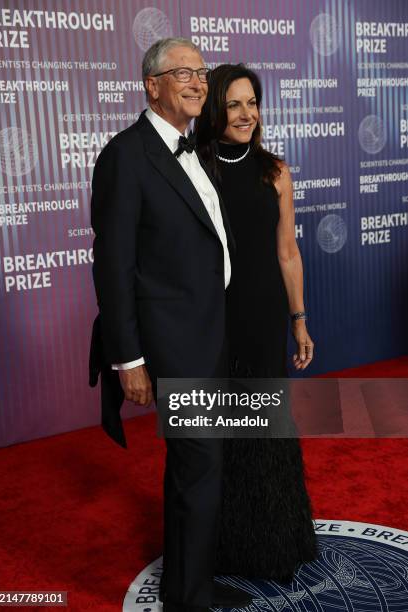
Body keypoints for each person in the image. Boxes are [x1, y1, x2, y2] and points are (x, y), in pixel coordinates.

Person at [88, 40, 253, 611]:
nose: (196, 82)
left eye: (201, 73)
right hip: (172, 344)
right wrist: (128, 358)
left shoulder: (196, 150)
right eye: (181, 72)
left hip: (210, 333)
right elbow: (113, 266)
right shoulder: (125, 156)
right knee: (199, 465)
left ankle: (193, 584)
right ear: (150, 84)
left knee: (198, 467)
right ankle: (189, 599)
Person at [195, 63, 318, 580]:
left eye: (253, 103)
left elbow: (287, 252)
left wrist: (299, 319)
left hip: (264, 312)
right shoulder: (195, 166)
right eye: (235, 104)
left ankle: (273, 544)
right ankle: (220, 546)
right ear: (215, 109)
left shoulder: (275, 171)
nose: (247, 114)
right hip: (213, 316)